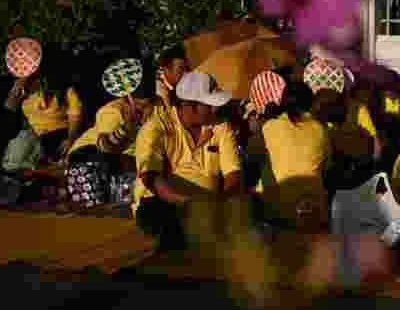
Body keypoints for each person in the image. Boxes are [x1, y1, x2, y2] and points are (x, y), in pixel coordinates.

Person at [133, 71, 242, 251]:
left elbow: (233, 173)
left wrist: (225, 202)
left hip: (208, 207)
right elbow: (150, 178)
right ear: (189, 106)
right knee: (166, 219)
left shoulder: (221, 125)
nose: (215, 109)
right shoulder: (155, 128)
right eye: (209, 104)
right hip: (163, 204)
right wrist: (185, 202)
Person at [65, 60, 156, 208]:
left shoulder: (157, 106)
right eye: (141, 106)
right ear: (129, 99)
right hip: (89, 158)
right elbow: (106, 148)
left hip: (122, 163)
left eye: (148, 106)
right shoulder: (112, 111)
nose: (146, 111)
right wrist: (125, 128)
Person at [259, 81, 334, 226]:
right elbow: (327, 166)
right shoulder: (320, 129)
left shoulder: (269, 127)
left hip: (282, 210)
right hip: (316, 207)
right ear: (310, 103)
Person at [8, 49, 84, 162]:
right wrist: (17, 89)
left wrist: (70, 138)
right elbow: (9, 109)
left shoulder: (66, 90)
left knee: (64, 160)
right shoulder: (22, 89)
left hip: (60, 132)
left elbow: (75, 117)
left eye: (36, 74)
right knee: (15, 162)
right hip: (34, 134)